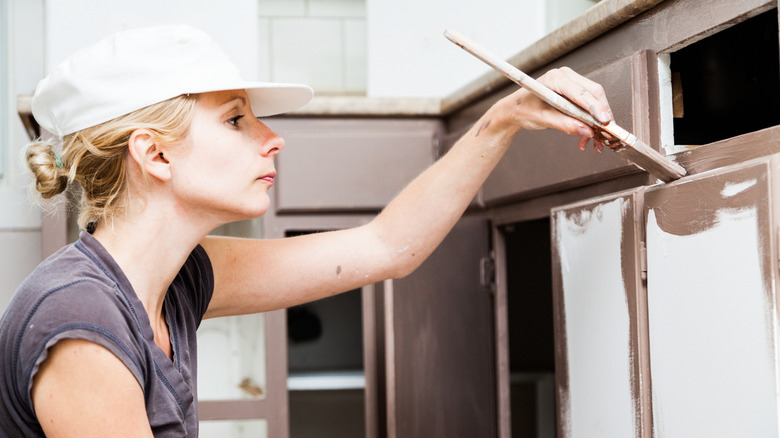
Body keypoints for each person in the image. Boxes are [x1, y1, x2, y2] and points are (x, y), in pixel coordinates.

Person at [0, 24, 612, 436]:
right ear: (155, 155)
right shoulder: (81, 324)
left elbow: (386, 247)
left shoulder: (177, 278)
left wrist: (506, 117)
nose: (273, 137)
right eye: (237, 119)